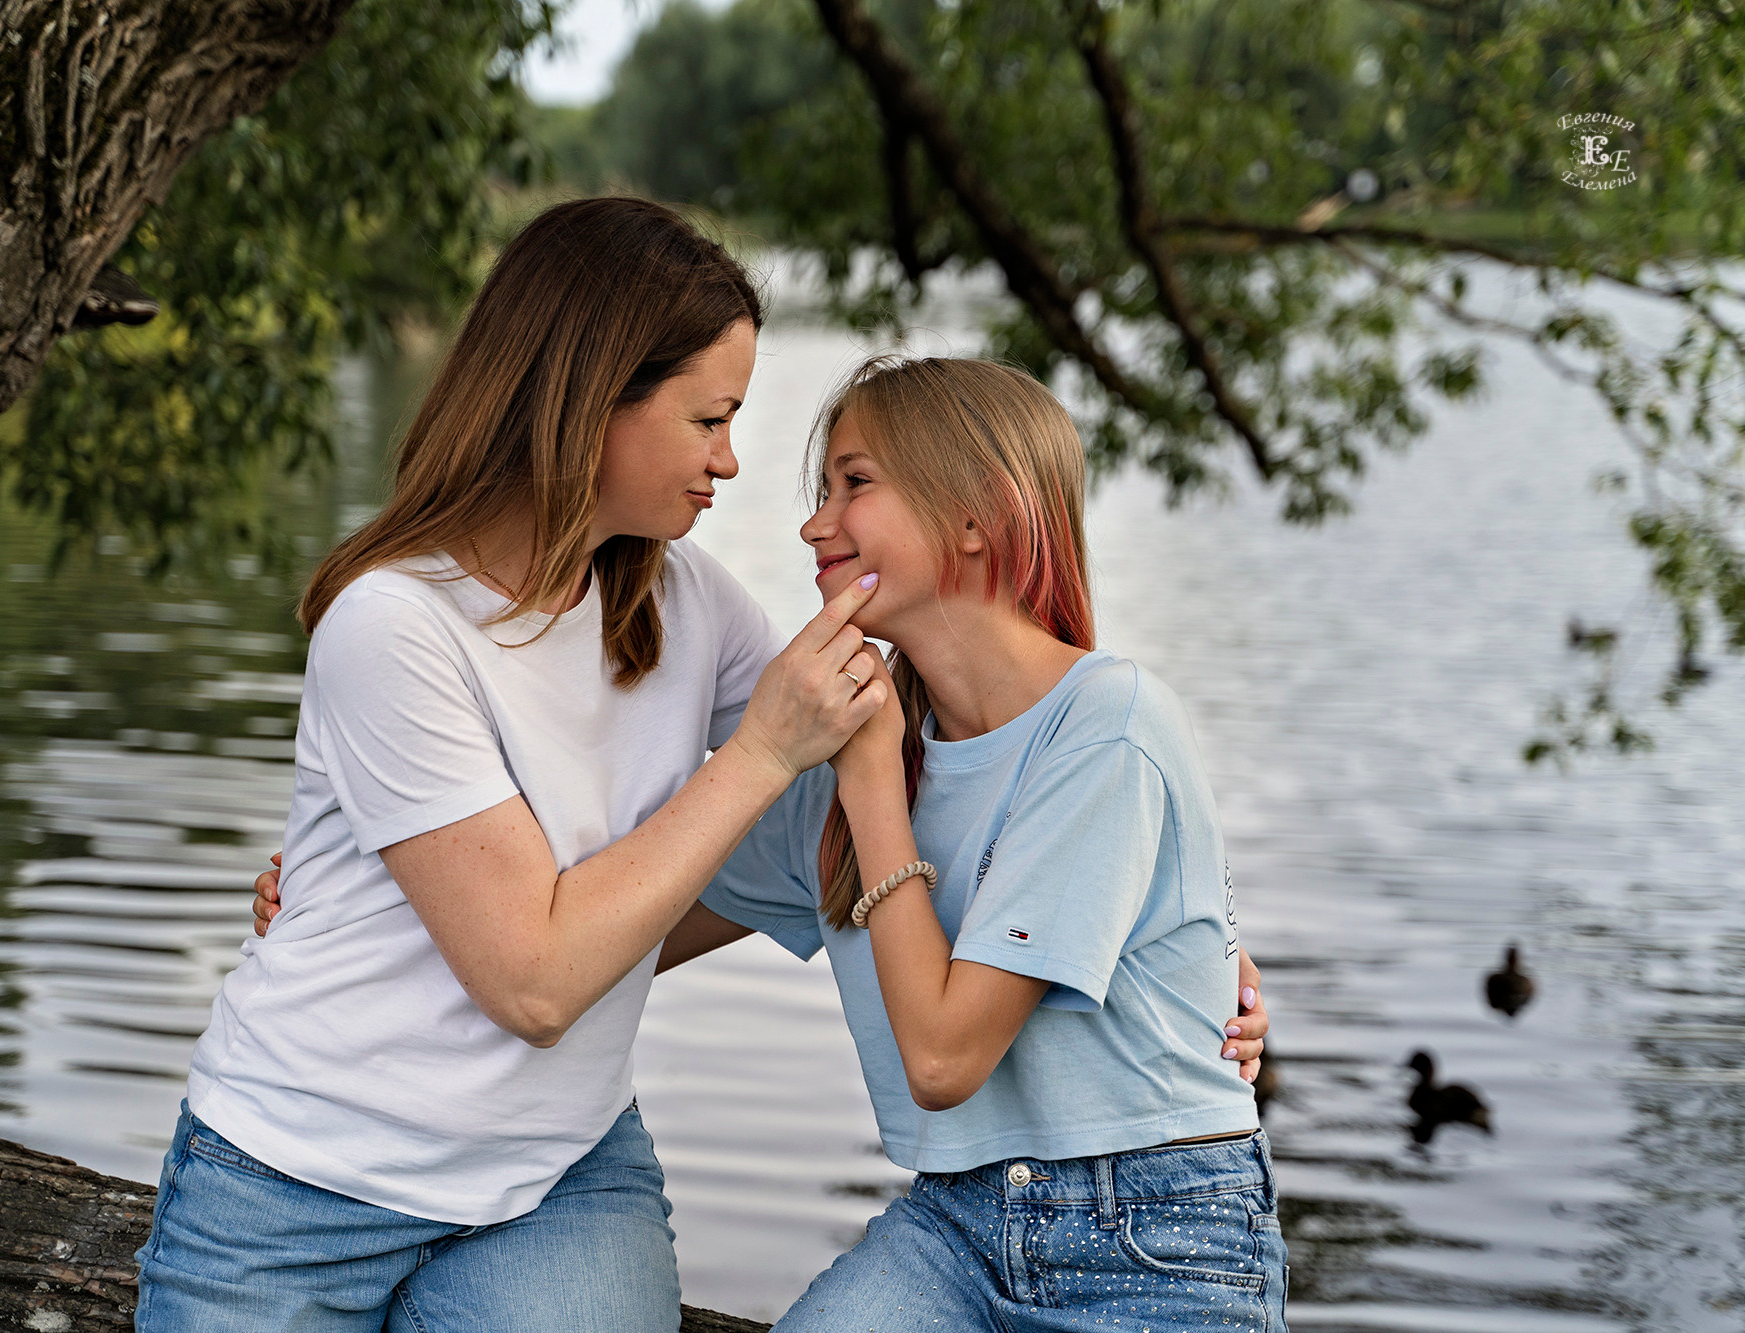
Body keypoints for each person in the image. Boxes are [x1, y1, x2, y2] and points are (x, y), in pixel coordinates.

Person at [134, 196, 899, 1330]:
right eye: (709, 418)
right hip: (297, 1182)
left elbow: (904, 771)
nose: (729, 462)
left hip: (555, 1179)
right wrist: (759, 753)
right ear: (593, 401)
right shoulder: (392, 623)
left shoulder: (681, 600)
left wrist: (1187, 930)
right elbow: (535, 983)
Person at [661, 355, 1289, 1330]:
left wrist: (871, 781)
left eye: (854, 483)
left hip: (1156, 1237)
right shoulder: (847, 769)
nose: (812, 522)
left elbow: (945, 1061)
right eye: (819, 489)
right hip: (950, 1226)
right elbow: (624, 935)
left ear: (972, 516)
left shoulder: (1106, 728)